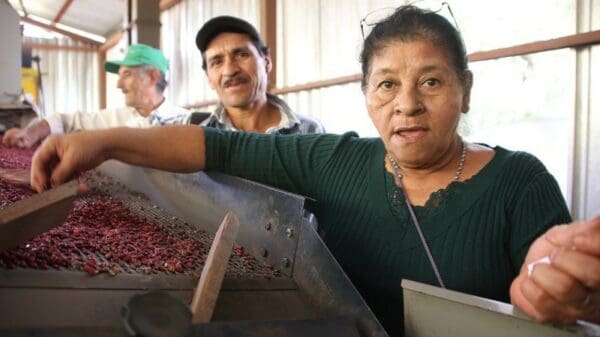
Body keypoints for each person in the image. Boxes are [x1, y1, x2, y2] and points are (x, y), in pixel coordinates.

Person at [29, 6, 599, 337]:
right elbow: (212, 147)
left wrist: (561, 297)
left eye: (431, 81)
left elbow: (574, 300)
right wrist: (99, 142)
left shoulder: (521, 183)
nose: (407, 104)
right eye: (387, 85)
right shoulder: (334, 160)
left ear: (464, 90)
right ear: (366, 95)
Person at [2, 44, 190, 149]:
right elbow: (65, 121)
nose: (118, 84)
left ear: (152, 76)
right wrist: (29, 133)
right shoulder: (114, 118)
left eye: (126, 74)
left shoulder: (186, 122)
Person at [192, 15, 324, 134]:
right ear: (209, 78)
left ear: (267, 62)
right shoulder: (198, 139)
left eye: (241, 55)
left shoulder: (309, 132)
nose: (230, 70)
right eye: (217, 62)